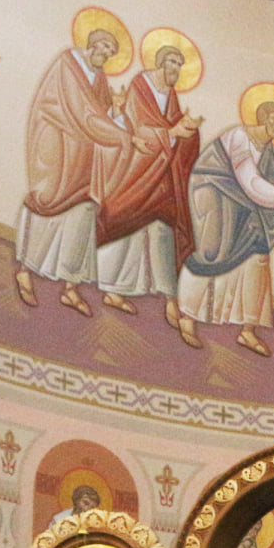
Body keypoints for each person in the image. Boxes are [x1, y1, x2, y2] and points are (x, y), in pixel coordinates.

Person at [177, 100, 274, 357]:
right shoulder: (240, 136)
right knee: (212, 254)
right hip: (213, 191)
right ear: (263, 118)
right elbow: (249, 180)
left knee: (259, 255)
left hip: (240, 201)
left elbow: (270, 180)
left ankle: (248, 328)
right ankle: (187, 315)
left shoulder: (265, 147)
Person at [15, 27, 131, 315]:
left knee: (82, 215)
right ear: (90, 45)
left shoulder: (101, 79)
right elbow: (82, 113)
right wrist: (121, 136)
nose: (105, 54)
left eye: (110, 52)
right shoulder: (67, 64)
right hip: (57, 150)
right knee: (49, 206)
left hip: (83, 158)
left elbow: (98, 117)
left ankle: (70, 286)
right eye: (102, 47)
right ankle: (25, 271)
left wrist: (117, 113)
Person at [98, 39, 200, 331]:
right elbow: (138, 129)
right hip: (134, 173)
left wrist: (187, 132)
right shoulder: (141, 86)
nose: (176, 70)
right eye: (172, 63)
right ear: (160, 62)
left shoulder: (170, 94)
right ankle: (112, 288)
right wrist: (172, 132)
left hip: (160, 179)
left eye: (180, 66)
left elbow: (173, 130)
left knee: (162, 229)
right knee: (125, 222)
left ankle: (169, 296)